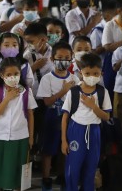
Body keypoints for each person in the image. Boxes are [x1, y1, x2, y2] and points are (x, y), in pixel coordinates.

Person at [0, 57, 37, 190]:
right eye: (9, 75)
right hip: (0, 136)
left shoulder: (26, 91)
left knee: (18, 171)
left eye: (16, 74)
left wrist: (31, 137)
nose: (13, 77)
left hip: (20, 136)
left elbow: (30, 114)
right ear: (1, 75)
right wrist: (7, 99)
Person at [61, 53, 111, 191]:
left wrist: (93, 106)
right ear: (81, 72)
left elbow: (106, 116)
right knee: (73, 168)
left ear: (101, 72)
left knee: (91, 168)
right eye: (88, 73)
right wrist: (64, 141)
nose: (91, 76)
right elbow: (65, 117)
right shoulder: (74, 92)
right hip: (76, 130)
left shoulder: (102, 92)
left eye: (96, 73)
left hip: (94, 131)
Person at [36, 41, 80, 190]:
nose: (64, 61)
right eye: (60, 57)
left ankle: (62, 176)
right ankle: (46, 178)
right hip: (52, 116)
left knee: (65, 147)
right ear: (53, 59)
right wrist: (63, 91)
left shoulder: (75, 78)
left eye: (67, 57)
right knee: (48, 149)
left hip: (70, 117)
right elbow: (47, 101)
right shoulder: (47, 78)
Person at [23, 22, 54, 94]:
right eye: (27, 42)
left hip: (52, 96)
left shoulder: (55, 53)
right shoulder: (27, 56)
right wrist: (33, 67)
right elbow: (21, 78)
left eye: (31, 42)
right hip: (34, 96)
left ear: (43, 40)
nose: (28, 45)